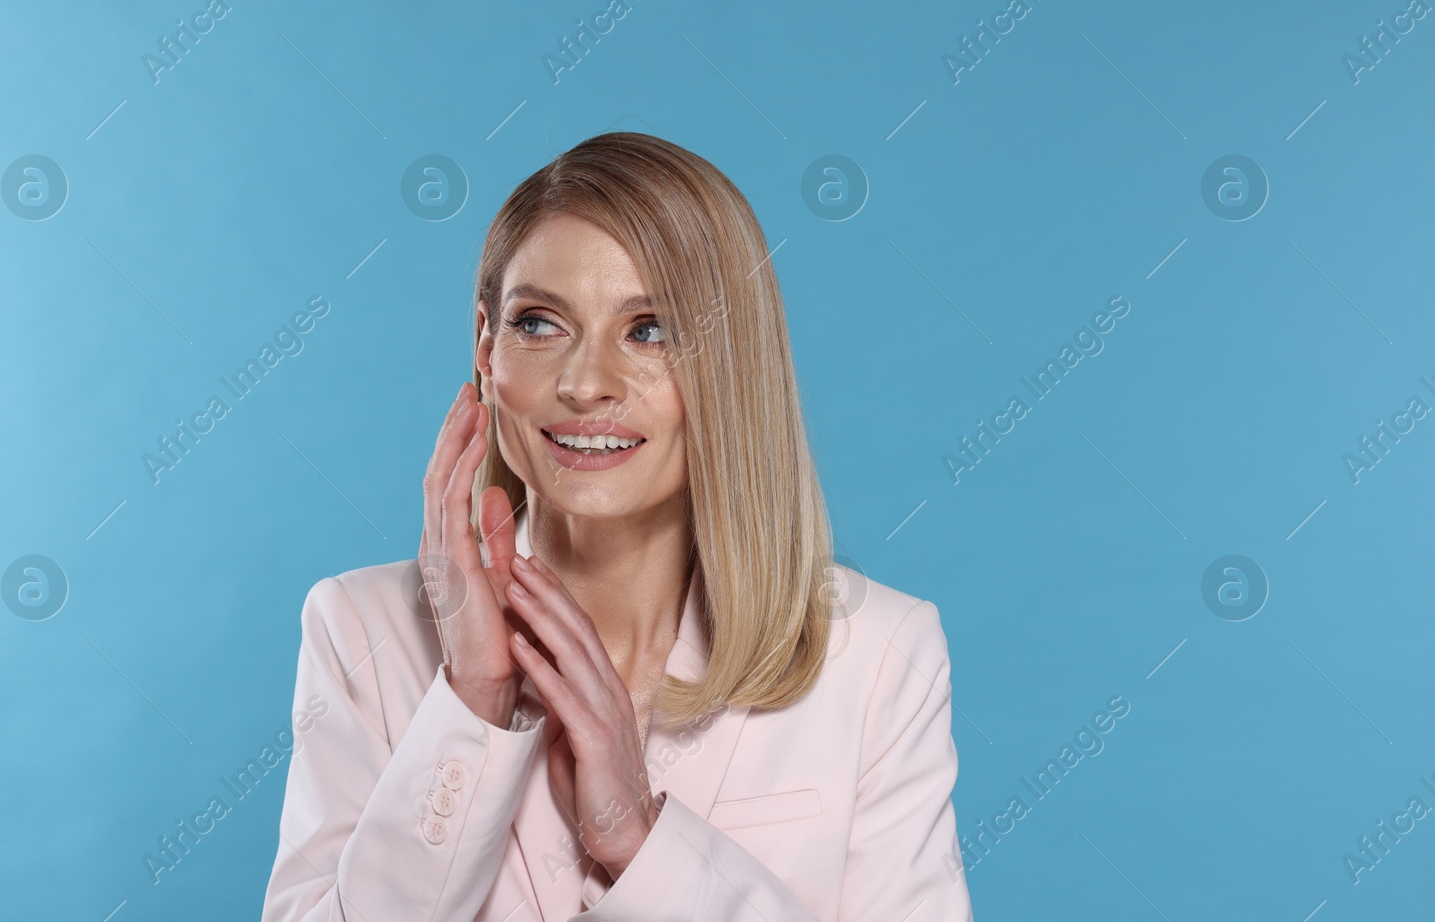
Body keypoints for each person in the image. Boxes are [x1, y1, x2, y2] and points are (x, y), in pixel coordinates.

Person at [260, 132, 974, 920]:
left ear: (731, 363)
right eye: (539, 323)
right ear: (485, 348)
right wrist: (471, 702)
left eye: (651, 329)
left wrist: (640, 837)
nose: (586, 383)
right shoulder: (357, 626)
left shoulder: (879, 655)